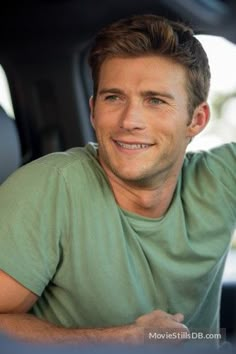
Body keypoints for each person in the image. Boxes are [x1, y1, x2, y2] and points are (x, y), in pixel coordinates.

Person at [0, 14, 235, 345]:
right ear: (94, 111)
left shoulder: (222, 179)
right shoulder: (49, 187)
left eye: (155, 100)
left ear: (196, 120)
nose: (130, 120)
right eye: (114, 98)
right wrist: (122, 340)